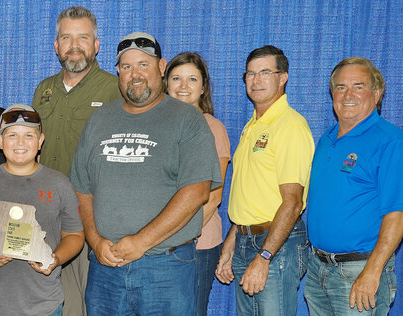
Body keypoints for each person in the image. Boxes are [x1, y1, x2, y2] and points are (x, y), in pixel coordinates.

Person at [70, 32, 221, 315]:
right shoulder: (99, 119)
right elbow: (82, 188)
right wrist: (95, 239)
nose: (135, 74)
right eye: (126, 67)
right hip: (105, 269)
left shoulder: (187, 119)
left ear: (161, 67)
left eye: (143, 64)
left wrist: (141, 242)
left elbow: (197, 192)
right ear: (118, 72)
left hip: (165, 268)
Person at [304, 57, 403, 315]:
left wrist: (372, 272)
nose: (348, 94)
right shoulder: (327, 139)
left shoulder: (392, 143)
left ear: (377, 94)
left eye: (359, 86)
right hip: (318, 267)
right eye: (341, 87)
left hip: (359, 271)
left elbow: (399, 214)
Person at [30, 7, 121, 315]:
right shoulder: (44, 89)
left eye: (83, 37)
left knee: (88, 300)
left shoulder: (114, 89)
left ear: (97, 45)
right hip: (45, 211)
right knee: (49, 297)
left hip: (89, 215)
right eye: (66, 37)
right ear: (56, 46)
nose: (75, 45)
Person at [215, 45, 314, 316]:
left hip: (276, 245)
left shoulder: (289, 126)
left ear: (283, 78)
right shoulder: (253, 126)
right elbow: (251, 196)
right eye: (250, 73)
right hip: (246, 241)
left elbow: (292, 204)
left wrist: (265, 257)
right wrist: (230, 243)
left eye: (265, 72)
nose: (256, 80)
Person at [0, 104, 84, 316]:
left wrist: (57, 259)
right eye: (12, 135)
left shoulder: (59, 184)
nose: (20, 143)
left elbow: (74, 235)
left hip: (44, 305)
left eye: (29, 135)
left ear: (40, 141)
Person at [164, 52, 230, 316]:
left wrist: (174, 236)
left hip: (196, 244)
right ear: (165, 83)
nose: (183, 86)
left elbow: (213, 197)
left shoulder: (213, 128)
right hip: (161, 244)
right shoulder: (156, 128)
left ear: (203, 87)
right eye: (176, 78)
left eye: (192, 79)